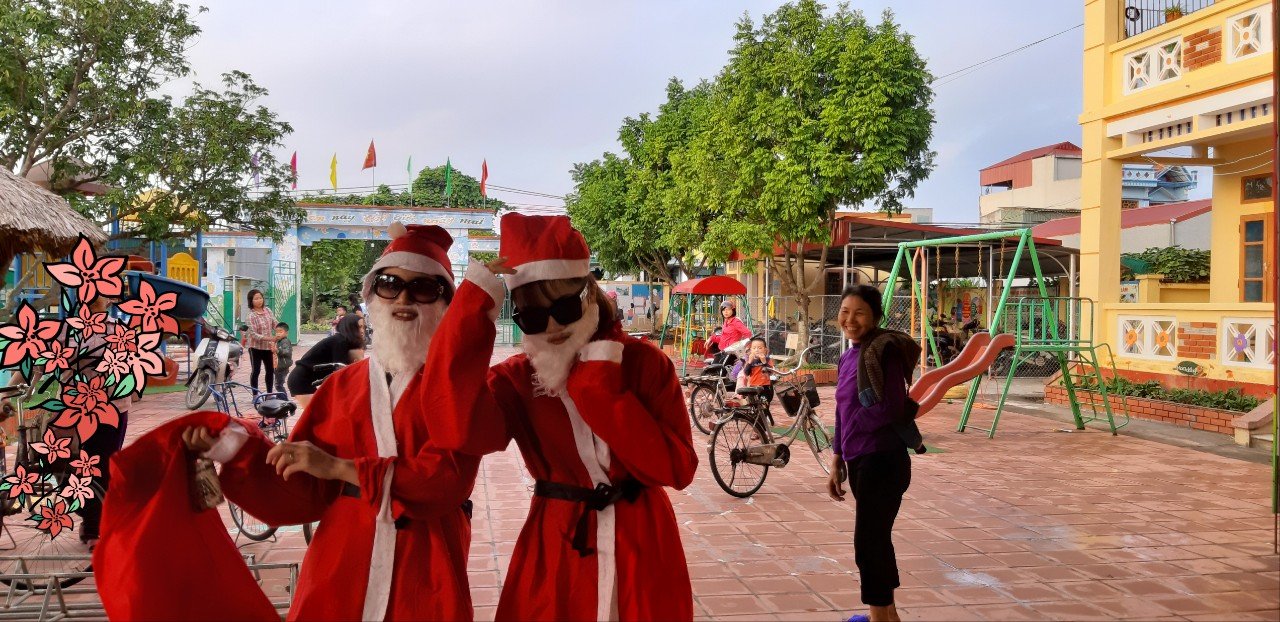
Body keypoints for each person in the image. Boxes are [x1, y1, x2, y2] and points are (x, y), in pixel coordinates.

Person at [179, 222, 480, 621]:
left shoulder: (458, 389)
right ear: (372, 295)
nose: (404, 298)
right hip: (342, 559)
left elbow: (445, 482)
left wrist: (339, 468)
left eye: (424, 287)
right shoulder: (342, 387)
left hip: (426, 561)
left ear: (445, 302)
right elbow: (302, 490)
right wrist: (233, 447)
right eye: (390, 284)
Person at [424, 213, 698, 621]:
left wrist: (601, 394)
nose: (551, 325)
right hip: (557, 543)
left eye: (565, 307)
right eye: (532, 316)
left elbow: (677, 469)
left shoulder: (644, 363)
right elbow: (455, 427)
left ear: (589, 293)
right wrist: (471, 308)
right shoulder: (517, 379)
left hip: (643, 539)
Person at [827, 284, 922, 622]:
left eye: (860, 313)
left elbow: (892, 408)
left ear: (876, 317)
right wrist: (837, 458)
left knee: (868, 544)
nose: (850, 320)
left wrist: (855, 426)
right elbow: (841, 410)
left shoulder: (885, 353)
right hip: (859, 460)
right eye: (844, 312)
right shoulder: (848, 356)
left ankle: (879, 617)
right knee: (875, 541)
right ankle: (887, 616)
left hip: (883, 460)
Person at [289, 310, 365, 409]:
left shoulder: (344, 342)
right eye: (359, 327)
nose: (362, 331)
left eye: (363, 327)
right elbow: (340, 372)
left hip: (308, 380)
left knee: (322, 413)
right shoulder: (340, 341)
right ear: (350, 327)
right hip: (301, 380)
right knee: (317, 414)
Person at [244, 289, 277, 393]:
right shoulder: (250, 316)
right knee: (256, 371)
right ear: (251, 301)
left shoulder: (268, 311)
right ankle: (255, 395)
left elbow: (275, 323)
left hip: (268, 347)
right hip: (255, 348)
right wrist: (270, 338)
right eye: (256, 299)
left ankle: (269, 393)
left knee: (270, 370)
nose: (259, 300)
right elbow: (254, 335)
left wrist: (281, 330)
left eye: (260, 298)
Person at [274, 322, 293, 397]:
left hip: (283, 366)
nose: (278, 334)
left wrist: (277, 350)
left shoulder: (285, 341)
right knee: (278, 384)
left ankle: (284, 399)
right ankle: (280, 397)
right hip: (279, 366)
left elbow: (286, 351)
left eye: (280, 332)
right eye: (277, 332)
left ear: (286, 333)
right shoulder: (279, 341)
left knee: (278, 384)